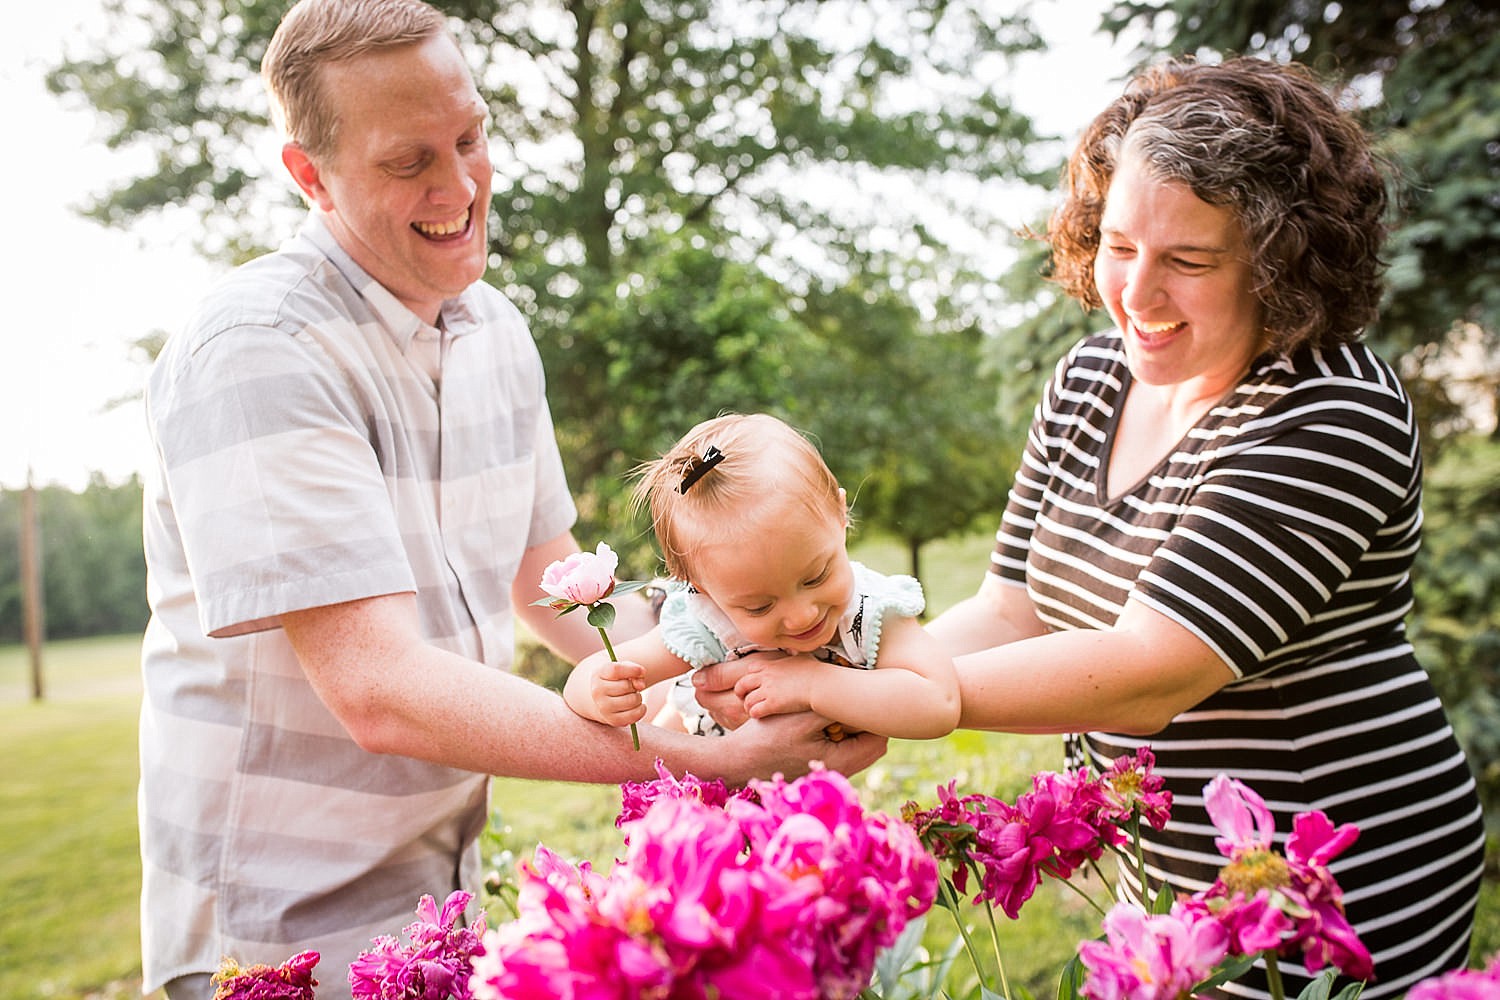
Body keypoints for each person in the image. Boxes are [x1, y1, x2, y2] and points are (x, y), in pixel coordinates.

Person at [136, 3, 883, 999]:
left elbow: (549, 586)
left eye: (472, 137)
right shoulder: (257, 349)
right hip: (272, 934)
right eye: (410, 163)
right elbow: (379, 691)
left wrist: (766, 652)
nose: (461, 185)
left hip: (440, 903)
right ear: (308, 176)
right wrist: (714, 761)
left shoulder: (495, 330)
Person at [915, 56, 1486, 998]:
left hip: (1339, 885)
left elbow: (1153, 672)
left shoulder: (1334, 409)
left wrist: (893, 704)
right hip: (1170, 880)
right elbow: (1010, 612)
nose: (1137, 293)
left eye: (1188, 261)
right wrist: (846, 675)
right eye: (1119, 243)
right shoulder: (1090, 381)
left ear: (1278, 263)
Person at [563, 413, 962, 742]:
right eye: (760, 606)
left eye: (816, 576)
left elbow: (939, 702)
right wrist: (598, 692)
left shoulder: (868, 612)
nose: (802, 616)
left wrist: (811, 683)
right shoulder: (708, 626)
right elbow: (588, 676)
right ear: (701, 591)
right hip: (695, 803)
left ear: (840, 516)